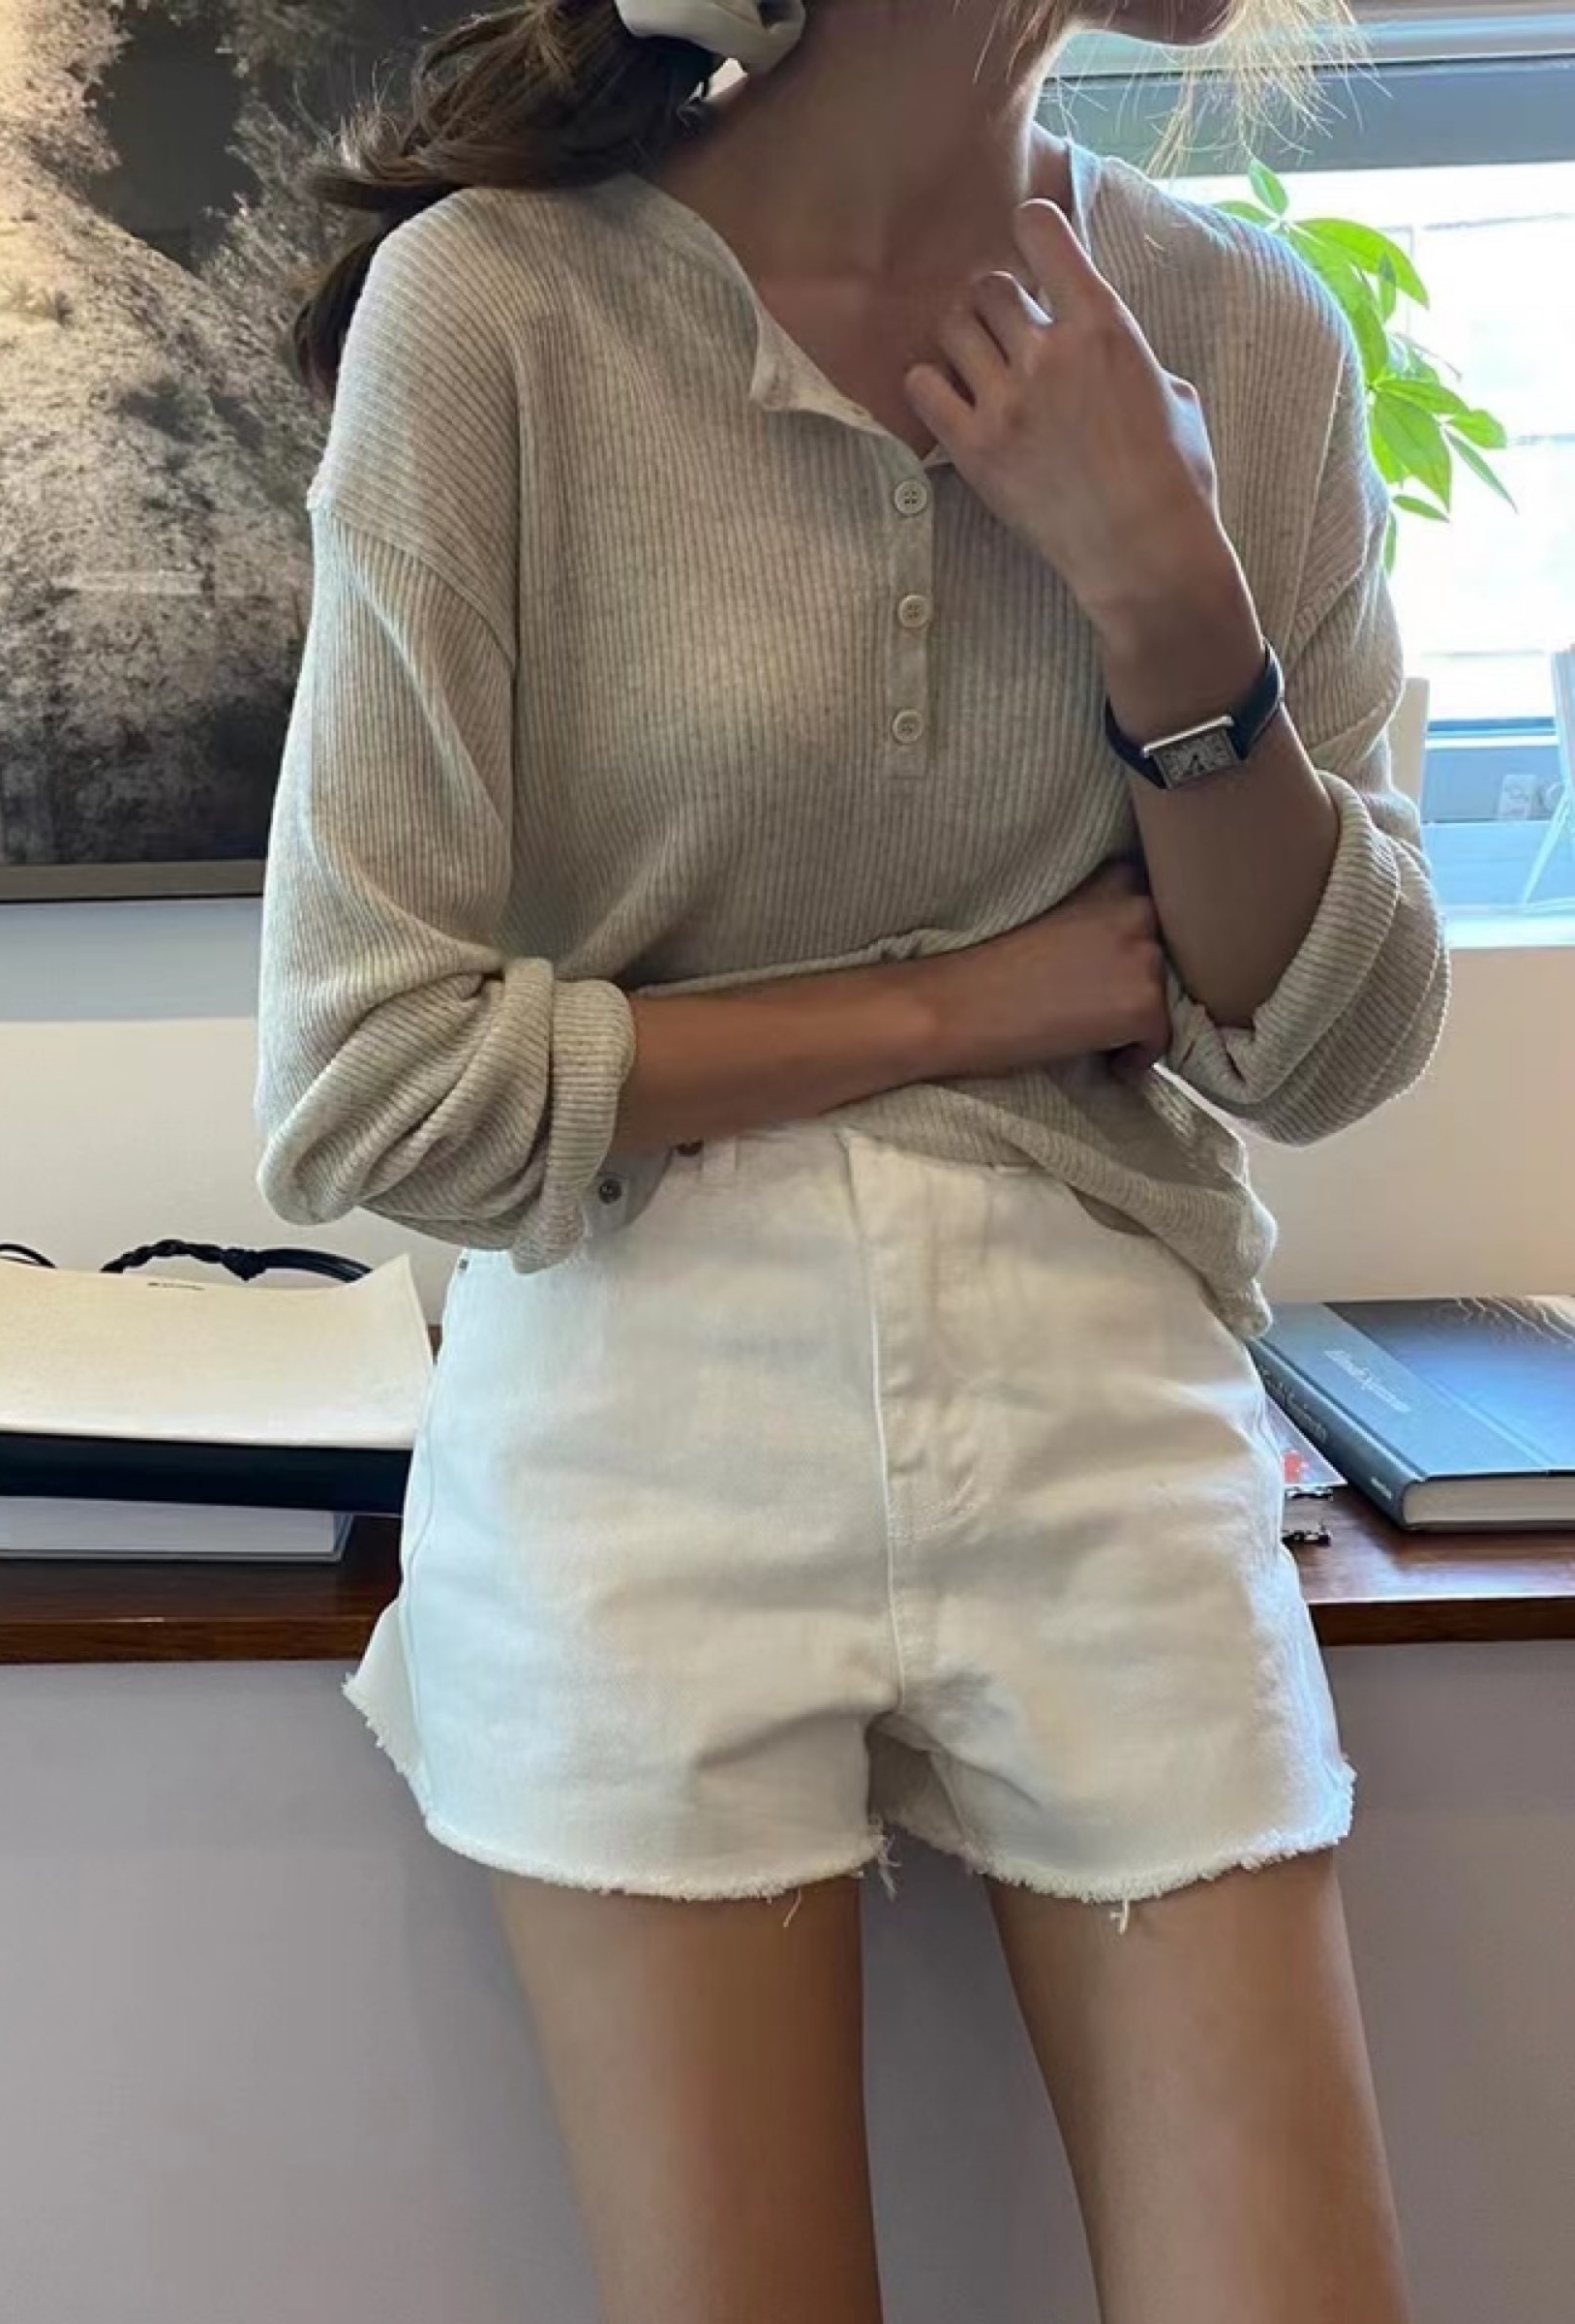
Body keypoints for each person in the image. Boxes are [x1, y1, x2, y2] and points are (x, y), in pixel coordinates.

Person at [254, 0, 1444, 2313]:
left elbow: (1336, 1040)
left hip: (1102, 1396)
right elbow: (373, 1081)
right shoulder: (497, 312)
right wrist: (968, 1006)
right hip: (639, 1411)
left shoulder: (1241, 334)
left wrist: (1170, 599)